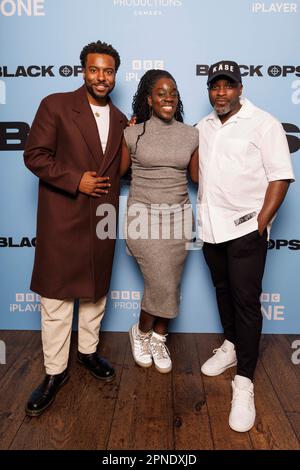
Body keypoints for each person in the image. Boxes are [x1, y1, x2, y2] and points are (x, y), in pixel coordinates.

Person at [23, 41, 127, 416]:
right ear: (82, 70)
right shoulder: (55, 105)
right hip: (63, 215)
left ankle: (87, 353)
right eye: (95, 69)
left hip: (103, 217)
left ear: (115, 74)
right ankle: (54, 373)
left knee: (97, 291)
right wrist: (74, 180)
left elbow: (122, 168)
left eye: (109, 71)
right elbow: (34, 155)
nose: (102, 77)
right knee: (56, 299)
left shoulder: (119, 120)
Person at [196, 60, 295, 432]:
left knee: (246, 302)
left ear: (240, 88)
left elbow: (281, 176)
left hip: (246, 232)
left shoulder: (263, 123)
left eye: (228, 86)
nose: (221, 93)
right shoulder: (203, 126)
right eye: (215, 87)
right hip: (210, 229)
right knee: (223, 292)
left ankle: (245, 381)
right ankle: (231, 345)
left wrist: (260, 224)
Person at [120, 69, 199, 374]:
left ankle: (158, 337)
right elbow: (119, 173)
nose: (168, 98)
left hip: (179, 218)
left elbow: (195, 177)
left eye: (173, 93)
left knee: (172, 280)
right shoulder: (132, 133)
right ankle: (141, 333)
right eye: (161, 93)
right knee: (161, 280)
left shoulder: (191, 134)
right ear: (149, 99)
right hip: (143, 216)